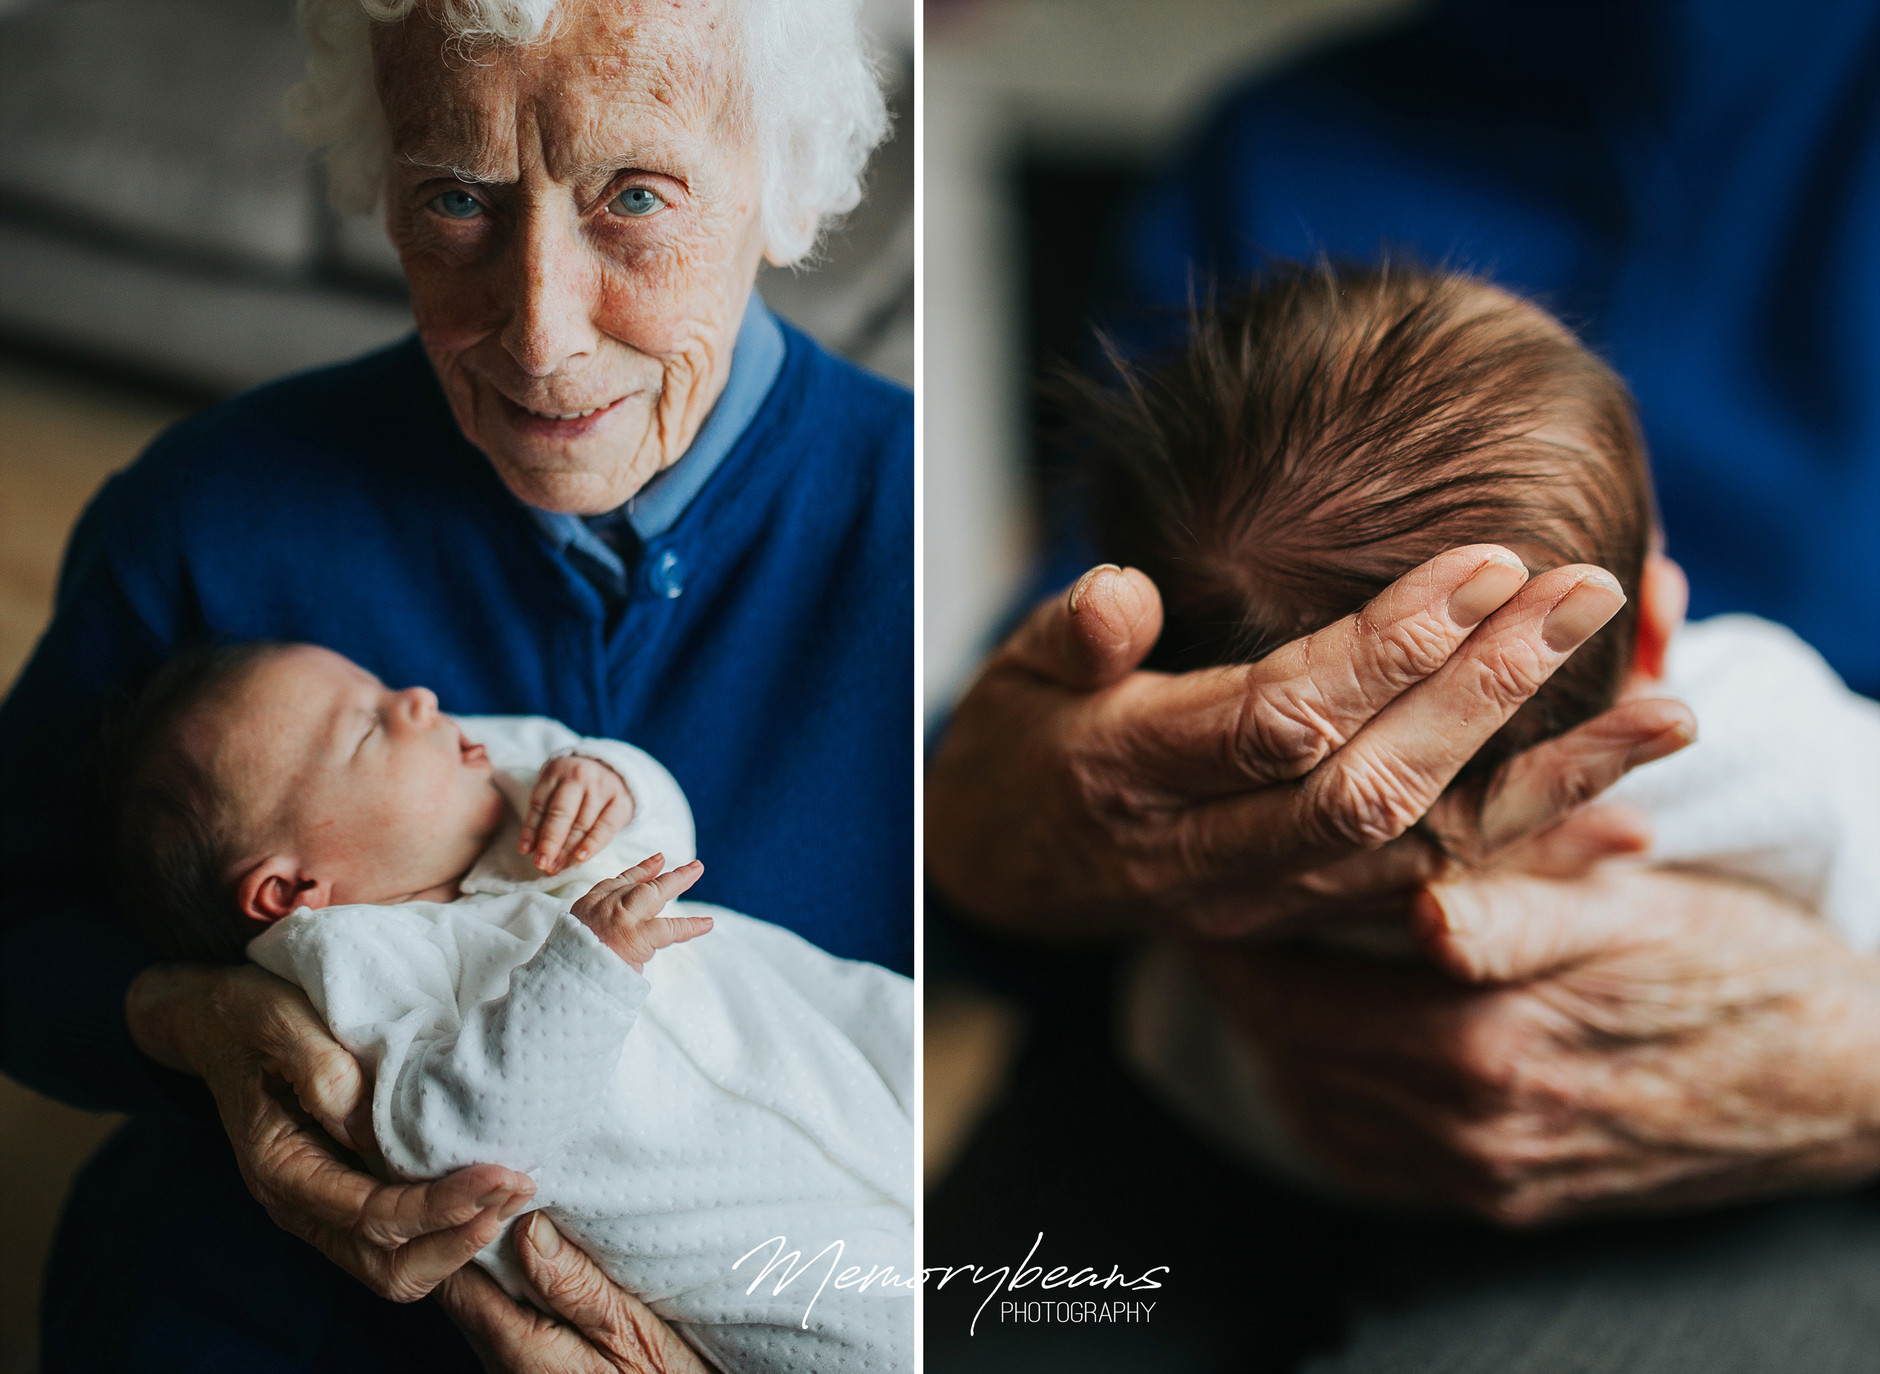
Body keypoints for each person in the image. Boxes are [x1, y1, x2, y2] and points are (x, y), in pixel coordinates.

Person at [925, 4, 1880, 1368]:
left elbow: (1158, 1023)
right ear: (1658, 629)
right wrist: (1039, 823)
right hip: (1234, 1084)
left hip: (1769, 1147)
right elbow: (1033, 739)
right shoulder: (1280, 141)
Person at [0, 0, 910, 1369]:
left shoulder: (913, 536)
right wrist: (198, 1019)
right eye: (457, 199)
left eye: (636, 195)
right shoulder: (206, 514)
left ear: (782, 179)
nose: (537, 333)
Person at [1059, 262, 1880, 1187]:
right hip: (1724, 1192)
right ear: (1655, 622)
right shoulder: (1754, 726)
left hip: (1289, 1171)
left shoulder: (1217, 870)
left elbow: (1155, 1028)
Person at [102, 641, 916, 1374]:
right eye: (367, 729)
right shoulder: (359, 965)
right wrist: (584, 970)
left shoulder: (514, 813)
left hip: (838, 1051)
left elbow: (652, 837)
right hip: (742, 1249)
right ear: (295, 891)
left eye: (385, 686)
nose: (417, 695)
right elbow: (451, 1141)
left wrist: (609, 780)